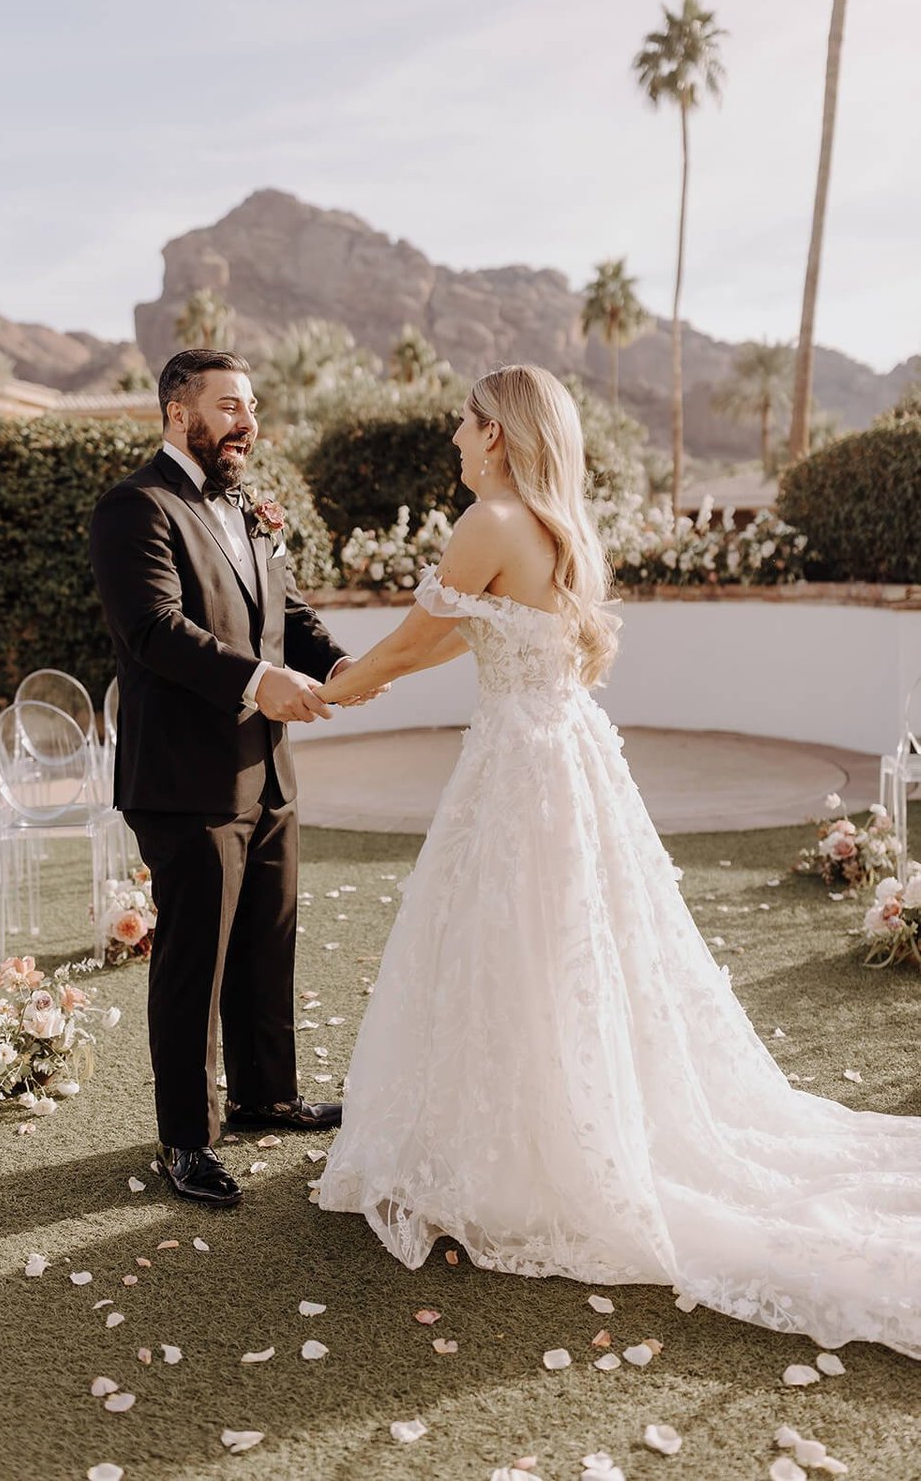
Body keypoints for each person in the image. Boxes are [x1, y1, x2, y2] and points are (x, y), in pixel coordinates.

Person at [317, 363, 921, 1359]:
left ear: (499, 433)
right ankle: (547, 1126)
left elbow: (421, 637)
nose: (456, 441)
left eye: (465, 426)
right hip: (569, 756)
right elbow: (450, 637)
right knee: (565, 951)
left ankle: (520, 1156)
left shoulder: (489, 523)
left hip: (519, 765)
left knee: (515, 948)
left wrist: (332, 693)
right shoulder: (558, 528)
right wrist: (366, 677)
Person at [90, 349, 376, 1208]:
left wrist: (340, 660)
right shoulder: (133, 507)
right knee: (193, 961)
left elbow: (280, 610)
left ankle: (265, 1095)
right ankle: (187, 1135)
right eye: (228, 405)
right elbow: (154, 629)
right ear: (180, 413)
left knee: (266, 936)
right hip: (184, 777)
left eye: (251, 404)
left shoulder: (250, 506)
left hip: (269, 769)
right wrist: (261, 683)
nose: (246, 420)